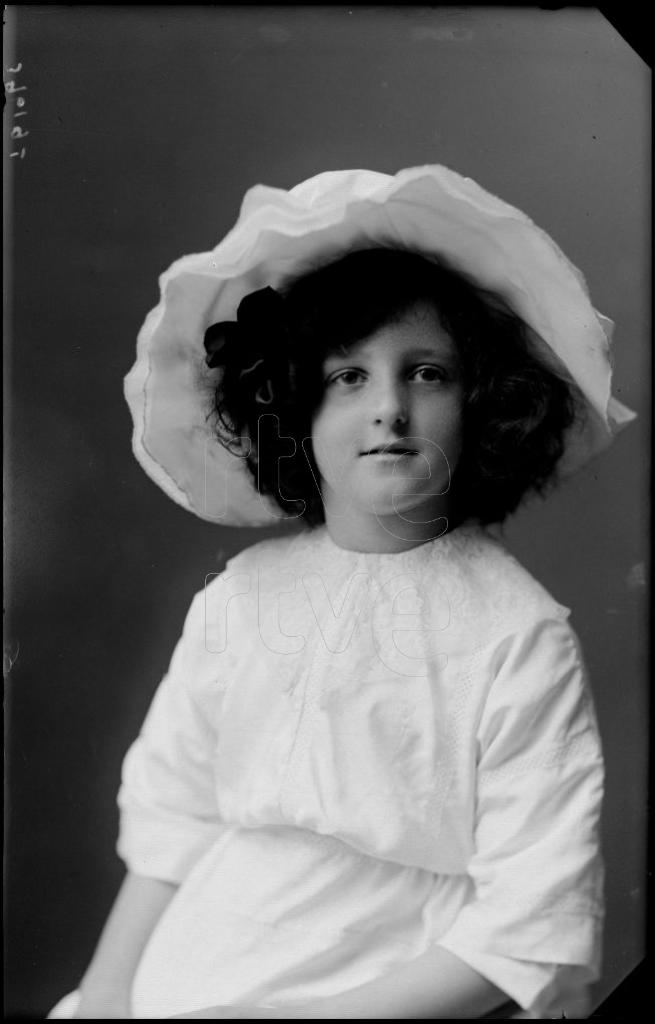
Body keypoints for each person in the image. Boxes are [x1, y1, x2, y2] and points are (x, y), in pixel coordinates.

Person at [48, 166, 635, 1020]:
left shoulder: (516, 633)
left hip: (396, 983)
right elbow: (173, 819)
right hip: (197, 960)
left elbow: (524, 926)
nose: (388, 408)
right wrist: (106, 994)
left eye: (426, 373)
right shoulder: (242, 597)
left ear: (482, 404)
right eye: (347, 377)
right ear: (291, 407)